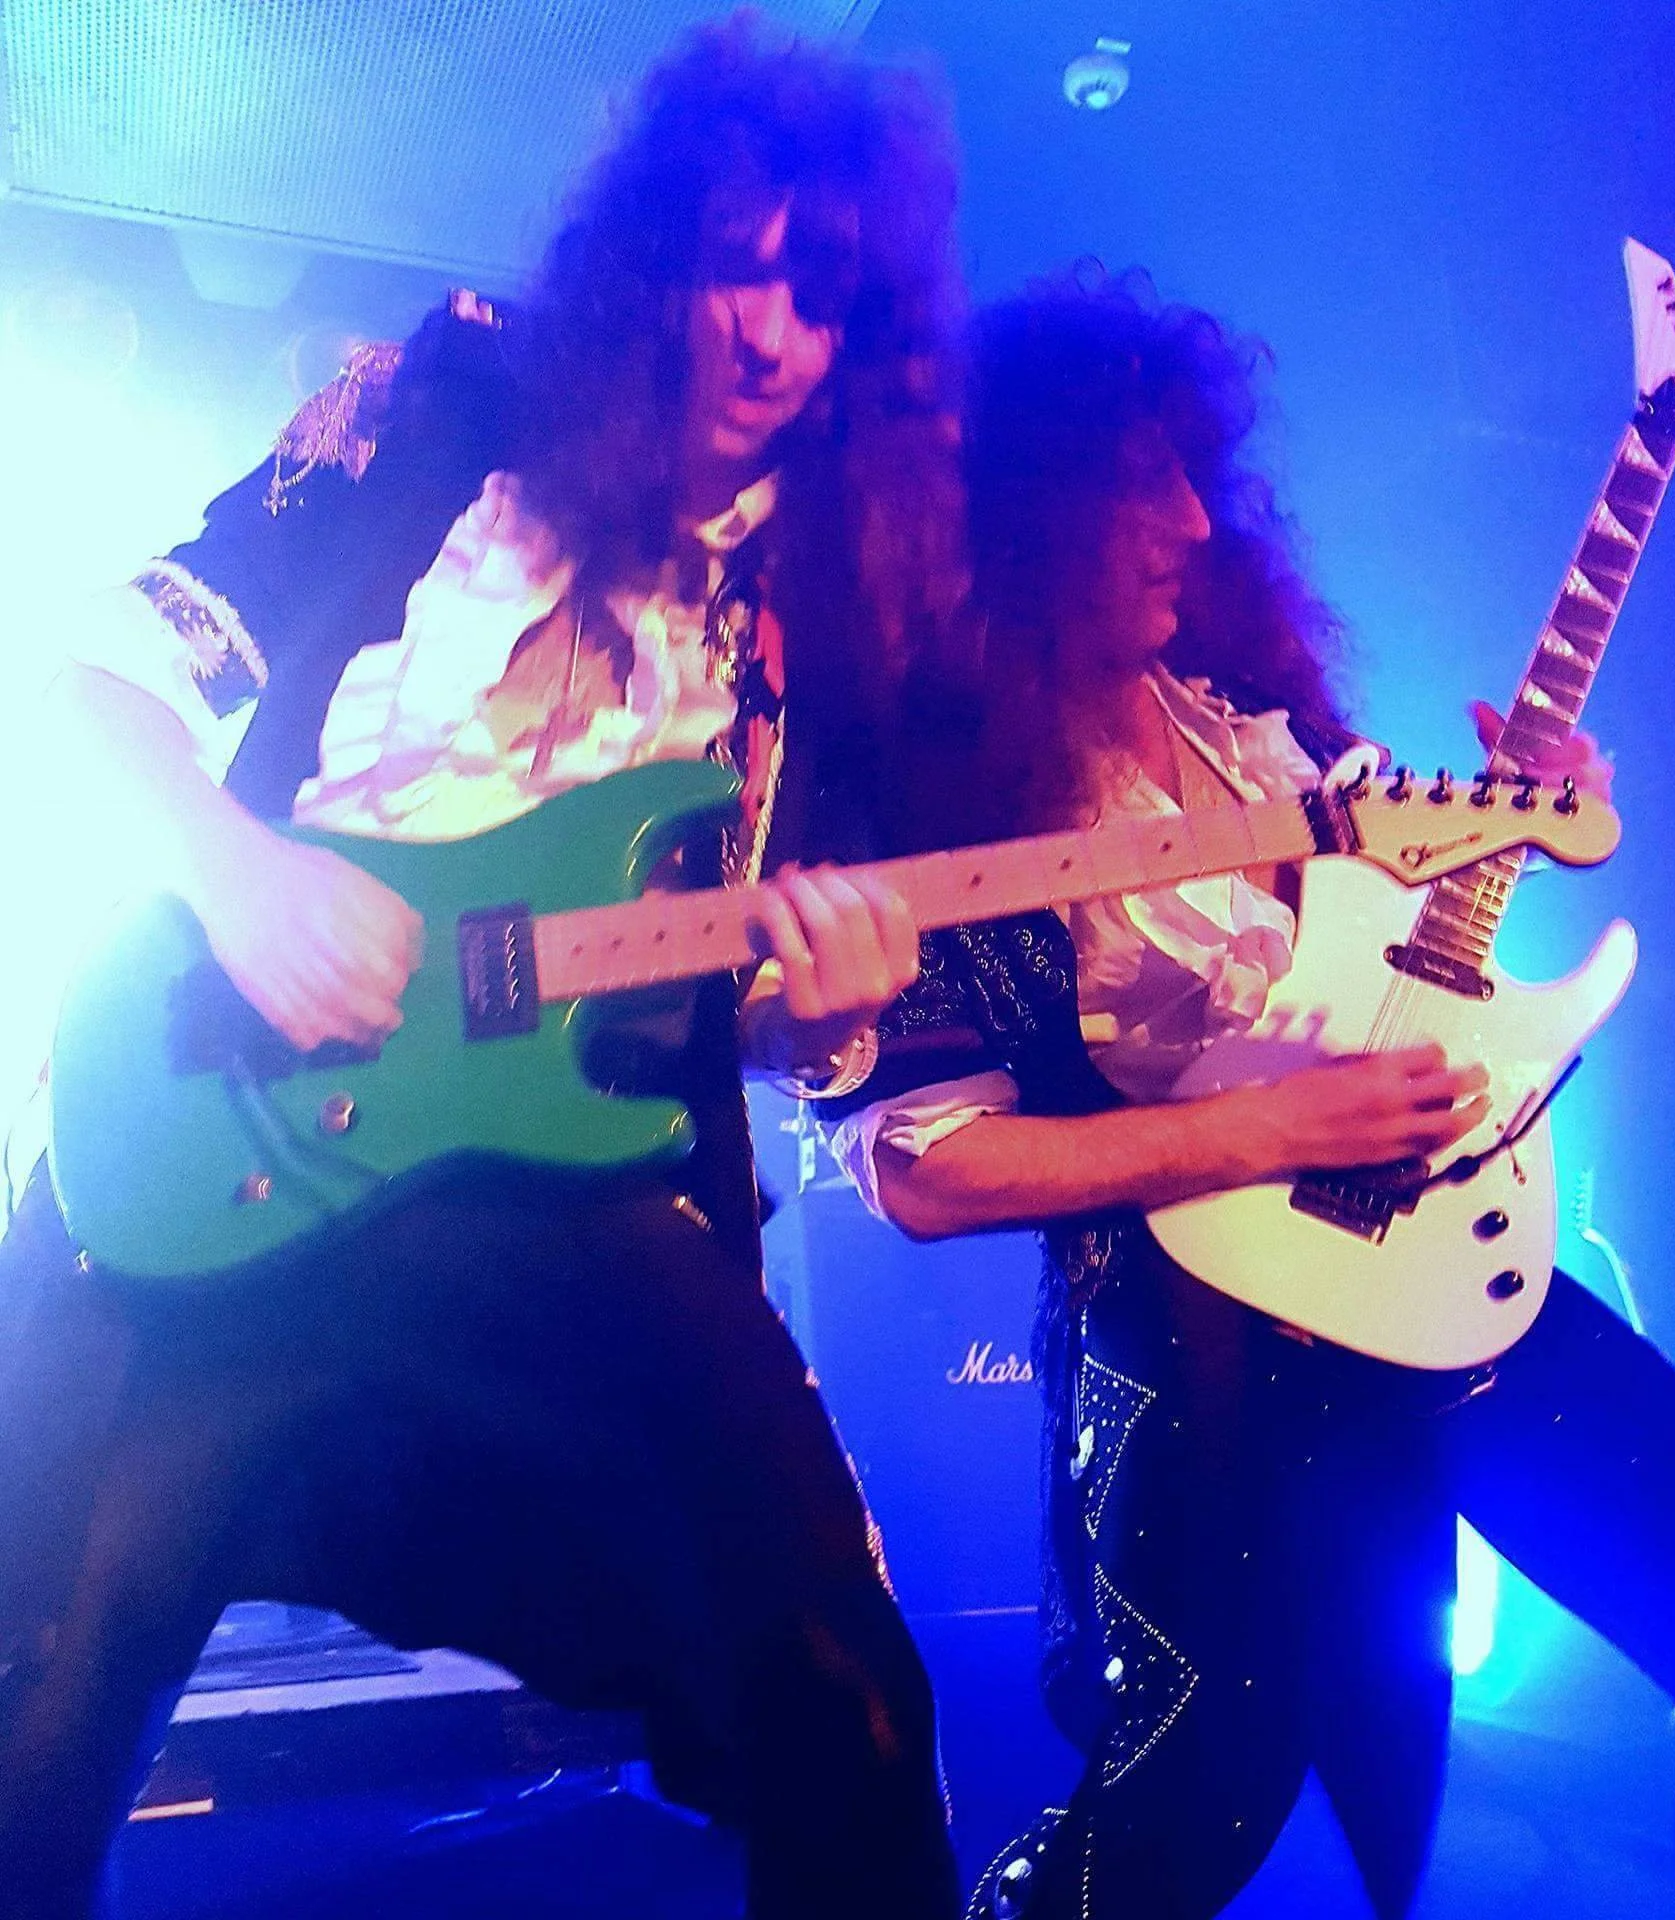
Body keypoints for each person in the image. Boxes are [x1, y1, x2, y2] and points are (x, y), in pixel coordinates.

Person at [0, 18, 966, 1917]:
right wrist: (237, 869)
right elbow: (96, 676)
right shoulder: (451, 395)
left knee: (847, 1701)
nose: (770, 333)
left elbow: (758, 1010)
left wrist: (832, 1019)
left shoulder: (839, 602)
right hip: (219, 1123)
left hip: (574, 1201)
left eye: (822, 293)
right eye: (731, 262)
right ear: (644, 257)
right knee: (28, 1705)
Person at [826, 274, 1675, 1919]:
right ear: (1030, 513)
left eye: (1197, 473)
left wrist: (1531, 820)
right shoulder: (949, 789)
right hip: (1208, 1347)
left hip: (1447, 1266)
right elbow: (924, 1171)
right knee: (1203, 1799)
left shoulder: (1251, 731)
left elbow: (1398, 957)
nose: (1193, 519)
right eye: (1141, 483)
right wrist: (1260, 1132)